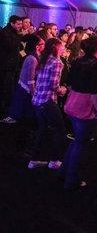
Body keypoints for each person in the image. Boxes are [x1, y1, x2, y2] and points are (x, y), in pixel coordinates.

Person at [61, 35, 97, 190]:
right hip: (85, 108)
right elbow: (95, 92)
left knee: (76, 141)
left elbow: (71, 84)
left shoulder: (77, 61)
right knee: (80, 144)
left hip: (72, 103)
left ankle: (63, 173)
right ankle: (71, 181)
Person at [29, 38, 67, 169]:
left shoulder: (45, 59)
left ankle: (34, 160)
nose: (63, 48)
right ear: (55, 47)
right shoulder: (56, 62)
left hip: (37, 99)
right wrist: (62, 90)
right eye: (61, 46)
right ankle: (55, 161)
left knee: (42, 129)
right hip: (47, 100)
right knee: (60, 130)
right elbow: (54, 85)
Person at [1, 35, 45, 124]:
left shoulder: (37, 56)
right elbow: (30, 78)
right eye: (42, 44)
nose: (44, 46)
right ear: (37, 46)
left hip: (26, 86)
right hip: (25, 87)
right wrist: (33, 91)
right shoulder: (32, 58)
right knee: (19, 106)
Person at [0, 15, 22, 117]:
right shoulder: (5, 32)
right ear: (12, 23)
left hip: (11, 66)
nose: (20, 26)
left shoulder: (13, 32)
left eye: (20, 24)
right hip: (6, 66)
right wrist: (20, 36)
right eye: (18, 24)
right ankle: (3, 111)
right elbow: (10, 46)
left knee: (9, 88)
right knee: (5, 88)